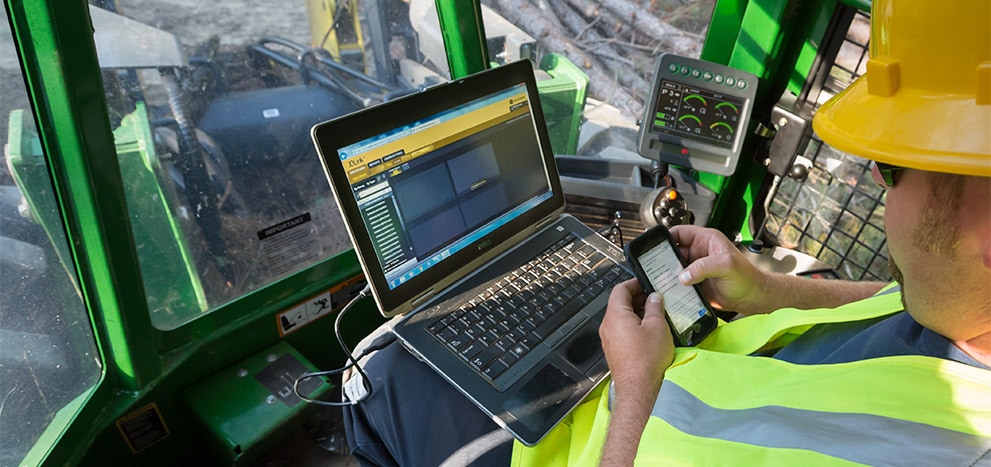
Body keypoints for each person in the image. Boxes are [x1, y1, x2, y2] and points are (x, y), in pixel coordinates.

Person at [342, 0, 991, 464]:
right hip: (677, 354)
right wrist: (768, 290)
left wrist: (631, 389)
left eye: (892, 165)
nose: (877, 181)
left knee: (379, 379)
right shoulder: (962, 300)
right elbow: (899, 301)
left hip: (598, 432)